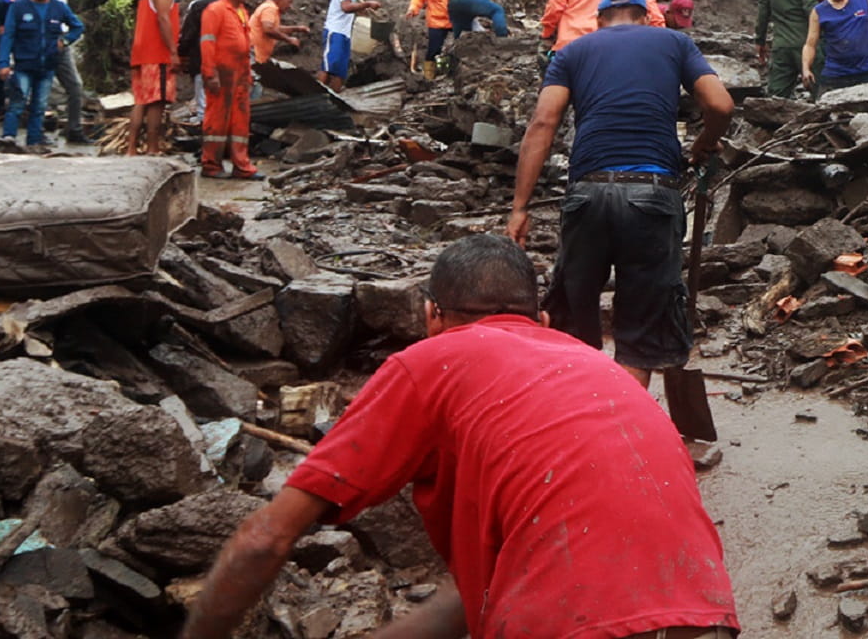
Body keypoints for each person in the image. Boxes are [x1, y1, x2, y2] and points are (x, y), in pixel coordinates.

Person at [181, 234, 739, 639]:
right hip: (707, 619)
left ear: (430, 316)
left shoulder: (430, 361)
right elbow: (479, 601)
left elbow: (265, 540)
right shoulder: (599, 369)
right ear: (540, 320)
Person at [508, 0, 736, 386]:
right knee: (641, 332)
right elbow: (720, 105)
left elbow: (542, 124)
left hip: (588, 193)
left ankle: (577, 425)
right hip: (652, 194)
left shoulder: (572, 52)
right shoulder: (674, 42)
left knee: (573, 324)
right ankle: (624, 430)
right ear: (646, 17)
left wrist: (520, 207)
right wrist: (703, 144)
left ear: (599, 21)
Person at [0, 0, 82, 150]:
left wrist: (65, 41)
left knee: (40, 105)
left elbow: (77, 26)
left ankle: (34, 140)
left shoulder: (58, 7)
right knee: (17, 102)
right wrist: (3, 63)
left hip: (47, 65)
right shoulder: (18, 6)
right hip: (24, 64)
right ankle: (8, 137)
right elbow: (8, 35)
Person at [197, 0, 260, 179]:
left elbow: (245, 44)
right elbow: (207, 43)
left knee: (240, 120)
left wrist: (248, 74)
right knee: (217, 119)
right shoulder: (215, 11)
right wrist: (210, 72)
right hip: (222, 73)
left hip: (239, 74)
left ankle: (241, 166)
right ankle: (211, 164)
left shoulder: (241, 11)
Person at [127, 0, 184, 155]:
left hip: (141, 52)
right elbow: (163, 18)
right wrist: (173, 51)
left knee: (141, 100)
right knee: (156, 101)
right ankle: (152, 147)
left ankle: (132, 148)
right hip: (157, 52)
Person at [43, 0, 89, 143]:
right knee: (42, 87)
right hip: (48, 42)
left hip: (63, 42)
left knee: (75, 87)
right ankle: (38, 131)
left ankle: (74, 129)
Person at [319, 0, 380, 91]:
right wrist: (367, 4)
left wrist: (363, 9)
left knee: (340, 71)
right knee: (329, 66)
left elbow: (351, 9)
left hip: (344, 34)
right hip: (334, 31)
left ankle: (334, 100)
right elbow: (346, 7)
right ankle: (312, 97)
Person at [178, 0, 221, 118]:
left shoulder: (197, 5)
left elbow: (187, 33)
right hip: (228, 61)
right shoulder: (231, 4)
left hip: (201, 59)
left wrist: (181, 54)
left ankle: (204, 130)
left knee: (204, 102)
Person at [248, 0, 304, 68]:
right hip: (254, 54)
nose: (290, 6)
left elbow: (275, 28)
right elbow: (268, 29)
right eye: (289, 2)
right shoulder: (270, 8)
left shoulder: (268, 7)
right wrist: (289, 39)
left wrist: (297, 29)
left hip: (257, 55)